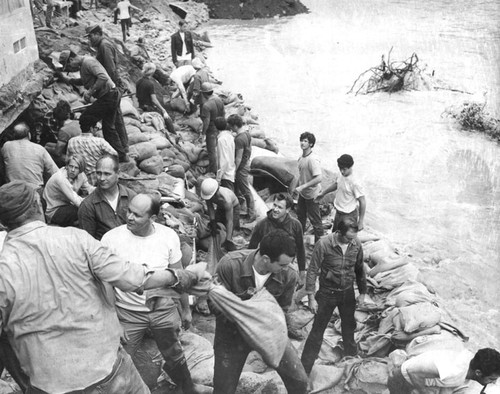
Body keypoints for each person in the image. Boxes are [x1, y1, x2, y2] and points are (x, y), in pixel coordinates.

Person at [0, 180, 208, 394]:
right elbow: (134, 278)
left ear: (4, 223)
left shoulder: (4, 267)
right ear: (38, 205)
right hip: (108, 372)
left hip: (50, 384)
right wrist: (184, 277)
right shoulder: (76, 239)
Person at [102, 194, 211, 394]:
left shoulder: (168, 237)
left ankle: (187, 387)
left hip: (163, 309)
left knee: (175, 354)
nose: (129, 217)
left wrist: (186, 310)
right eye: (128, 211)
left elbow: (180, 277)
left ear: (152, 218)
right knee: (117, 361)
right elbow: (106, 283)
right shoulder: (111, 239)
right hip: (128, 313)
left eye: (137, 214)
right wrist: (113, 321)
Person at [213, 229, 308, 394]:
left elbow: (282, 309)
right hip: (232, 335)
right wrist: (248, 311)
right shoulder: (230, 265)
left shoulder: (289, 275)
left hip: (269, 332)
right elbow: (214, 306)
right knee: (223, 388)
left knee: (299, 380)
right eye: (282, 264)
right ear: (266, 259)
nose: (286, 268)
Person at [300, 217, 366, 374]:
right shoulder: (323, 244)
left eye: (354, 237)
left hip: (347, 292)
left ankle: (350, 358)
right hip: (327, 293)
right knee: (317, 331)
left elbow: (359, 269)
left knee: (349, 327)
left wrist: (363, 292)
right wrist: (310, 298)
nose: (352, 241)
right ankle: (305, 368)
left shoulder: (356, 244)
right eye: (349, 238)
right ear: (338, 233)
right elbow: (313, 270)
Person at [57, 50, 129, 162]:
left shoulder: (88, 62)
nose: (71, 69)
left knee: (85, 119)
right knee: (108, 128)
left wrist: (90, 92)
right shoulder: (83, 65)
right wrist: (70, 80)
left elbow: (103, 77)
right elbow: (85, 80)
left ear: (71, 60)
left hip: (109, 96)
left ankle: (90, 149)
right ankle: (121, 155)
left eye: (69, 66)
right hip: (110, 95)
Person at [86, 25, 129, 149]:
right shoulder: (102, 45)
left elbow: (110, 69)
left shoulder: (104, 46)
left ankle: (121, 147)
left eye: (91, 36)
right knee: (117, 116)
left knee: (113, 119)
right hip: (112, 84)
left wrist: (111, 88)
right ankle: (123, 145)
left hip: (111, 86)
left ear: (98, 33)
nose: (90, 39)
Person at [387, 348, 500, 394]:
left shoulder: (469, 359)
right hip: (401, 381)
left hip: (422, 377)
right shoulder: (452, 371)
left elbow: (432, 381)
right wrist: (424, 391)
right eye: (492, 379)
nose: (493, 382)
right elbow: (412, 371)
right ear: (478, 373)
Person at [248, 192, 306, 281]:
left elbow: (300, 249)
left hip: (286, 266)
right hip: (267, 266)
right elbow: (251, 249)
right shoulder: (262, 224)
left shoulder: (296, 225)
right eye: (274, 205)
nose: (275, 209)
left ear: (287, 209)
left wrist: (302, 272)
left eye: (279, 207)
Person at [78, 155, 136, 240]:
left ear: (118, 174)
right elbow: (88, 243)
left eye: (107, 174)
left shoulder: (132, 197)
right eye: (98, 173)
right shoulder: (88, 205)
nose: (101, 178)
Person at [1, 122, 58, 192]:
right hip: (34, 190)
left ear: (13, 135)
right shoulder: (39, 149)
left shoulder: (6, 146)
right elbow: (54, 172)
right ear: (29, 134)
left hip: (13, 190)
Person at [288, 131, 324, 243]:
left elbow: (319, 178)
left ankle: (319, 245)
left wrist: (303, 186)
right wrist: (296, 187)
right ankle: (298, 239)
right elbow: (301, 175)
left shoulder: (312, 160)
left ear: (311, 144)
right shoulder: (301, 158)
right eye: (302, 140)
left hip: (312, 195)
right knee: (301, 217)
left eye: (305, 141)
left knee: (316, 221)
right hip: (303, 194)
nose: (302, 143)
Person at [317, 153, 366, 231]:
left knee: (345, 239)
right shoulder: (341, 174)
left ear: (350, 167)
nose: (342, 171)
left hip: (349, 215)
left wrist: (360, 221)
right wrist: (323, 193)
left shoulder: (355, 183)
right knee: (335, 235)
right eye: (340, 169)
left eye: (344, 169)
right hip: (338, 212)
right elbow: (337, 184)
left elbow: (362, 201)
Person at [43, 154, 94, 227]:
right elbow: (77, 201)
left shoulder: (81, 175)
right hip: (53, 211)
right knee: (82, 210)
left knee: (85, 205)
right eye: (71, 166)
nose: (72, 170)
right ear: (66, 166)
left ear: (80, 169)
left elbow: (89, 188)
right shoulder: (60, 178)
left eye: (76, 168)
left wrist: (101, 192)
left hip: (66, 205)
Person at [227, 114, 255, 221]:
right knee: (240, 189)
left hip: (241, 167)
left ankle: (251, 214)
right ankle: (242, 209)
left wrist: (234, 170)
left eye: (230, 126)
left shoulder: (239, 139)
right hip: (246, 163)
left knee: (246, 191)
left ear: (234, 126)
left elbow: (238, 158)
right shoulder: (246, 134)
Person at [136, 62, 176, 136]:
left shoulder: (138, 81)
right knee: (167, 118)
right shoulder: (150, 84)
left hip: (141, 105)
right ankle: (173, 134)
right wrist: (163, 110)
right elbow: (154, 100)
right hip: (149, 107)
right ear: (152, 72)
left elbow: (137, 95)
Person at [200, 178, 239, 252]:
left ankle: (227, 243)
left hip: (233, 208)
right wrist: (213, 221)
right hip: (220, 207)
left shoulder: (226, 200)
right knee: (217, 228)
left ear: (216, 192)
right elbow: (210, 207)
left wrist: (228, 239)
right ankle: (219, 245)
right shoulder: (209, 193)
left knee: (228, 231)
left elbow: (229, 221)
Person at [45, 100, 82, 166]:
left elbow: (57, 153)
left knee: (46, 150)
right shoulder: (77, 122)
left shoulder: (64, 130)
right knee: (48, 144)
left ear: (56, 119)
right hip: (80, 151)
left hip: (76, 159)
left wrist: (45, 149)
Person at [200, 82, 225, 174]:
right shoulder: (219, 99)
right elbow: (223, 113)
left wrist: (203, 133)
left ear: (203, 93)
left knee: (212, 152)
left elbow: (206, 121)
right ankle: (221, 167)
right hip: (220, 127)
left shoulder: (206, 105)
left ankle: (213, 171)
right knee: (219, 149)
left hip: (211, 129)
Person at [215, 117, 235, 191]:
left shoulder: (221, 140)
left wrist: (218, 178)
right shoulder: (230, 136)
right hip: (231, 170)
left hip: (225, 175)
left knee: (228, 197)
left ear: (216, 128)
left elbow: (224, 160)